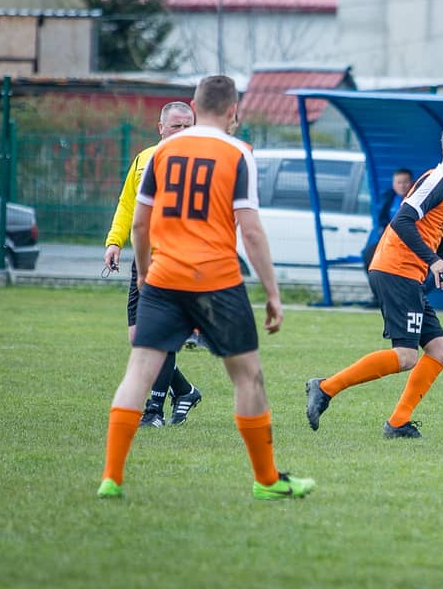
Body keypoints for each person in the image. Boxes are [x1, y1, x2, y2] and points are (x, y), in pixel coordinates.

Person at [97, 75, 315, 500]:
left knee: (138, 372)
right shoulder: (238, 152)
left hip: (162, 277)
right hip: (216, 281)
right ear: (233, 110)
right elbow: (251, 231)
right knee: (248, 377)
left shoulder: (160, 153)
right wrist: (272, 293)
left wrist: (144, 274)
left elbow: (139, 223)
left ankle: (112, 477)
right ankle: (267, 480)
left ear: (194, 108)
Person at [305, 123, 443, 439]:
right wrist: (433, 262)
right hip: (396, 269)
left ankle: (398, 422)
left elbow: (438, 241)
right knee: (406, 356)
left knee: (440, 350)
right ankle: (325, 387)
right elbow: (401, 220)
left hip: (409, 273)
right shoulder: (438, 181)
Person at [102, 101, 203, 428]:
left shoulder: (201, 163)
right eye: (176, 126)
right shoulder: (144, 160)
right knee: (138, 338)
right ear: (161, 128)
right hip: (144, 261)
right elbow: (127, 204)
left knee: (160, 335)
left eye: (188, 126)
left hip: (178, 262)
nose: (183, 132)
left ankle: (154, 411)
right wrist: (114, 241)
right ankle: (184, 390)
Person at [362, 168, 413, 269]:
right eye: (399, 183)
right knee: (369, 254)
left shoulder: (417, 198)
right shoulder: (388, 198)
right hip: (389, 239)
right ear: (393, 184)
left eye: (405, 182)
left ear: (411, 183)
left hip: (410, 241)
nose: (402, 186)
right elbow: (381, 220)